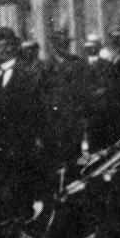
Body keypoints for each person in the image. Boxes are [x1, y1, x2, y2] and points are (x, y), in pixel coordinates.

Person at [0, 27, 45, 219]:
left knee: (22, 197)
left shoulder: (28, 73)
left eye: (8, 46)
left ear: (15, 47)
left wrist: (35, 139)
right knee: (2, 199)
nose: (4, 50)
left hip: (22, 146)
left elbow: (37, 110)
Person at [41, 30, 91, 165]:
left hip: (73, 117)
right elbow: (41, 93)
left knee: (74, 156)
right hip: (52, 119)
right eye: (59, 43)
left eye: (65, 43)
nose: (63, 46)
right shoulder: (45, 66)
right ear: (53, 45)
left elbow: (86, 89)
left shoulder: (78, 63)